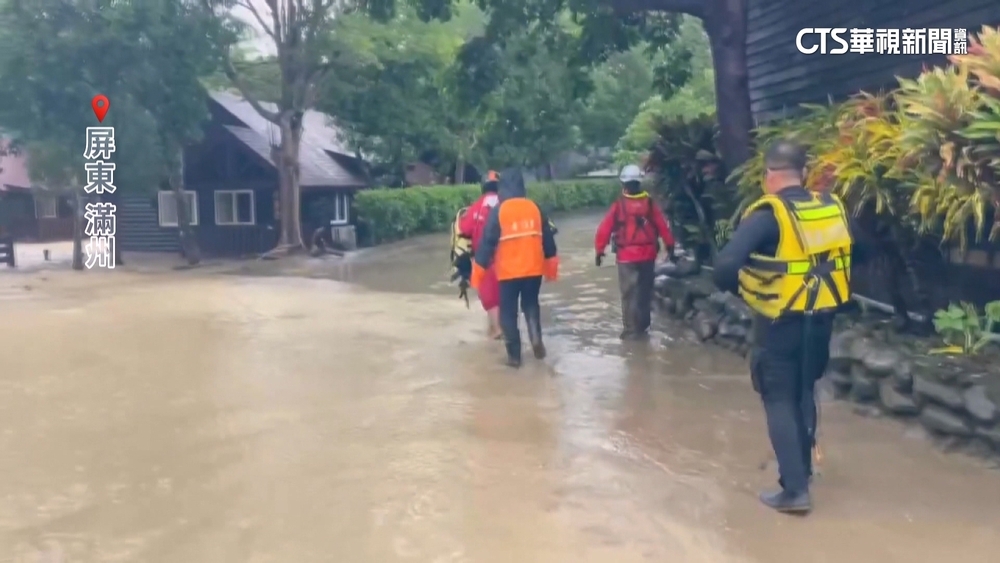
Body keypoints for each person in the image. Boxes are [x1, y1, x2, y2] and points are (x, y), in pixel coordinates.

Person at [712, 139, 868, 514]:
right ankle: (804, 471)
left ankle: (795, 491)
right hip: (821, 320)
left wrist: (748, 292)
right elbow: (863, 251)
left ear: (770, 175)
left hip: (779, 322)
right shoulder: (830, 208)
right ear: (804, 173)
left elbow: (724, 268)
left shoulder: (769, 214)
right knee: (804, 390)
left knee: (778, 398)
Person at [471, 169, 559, 367]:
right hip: (534, 271)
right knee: (530, 305)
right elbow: (548, 241)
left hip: (508, 273)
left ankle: (514, 357)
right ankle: (536, 338)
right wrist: (551, 269)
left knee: (508, 313)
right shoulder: (535, 208)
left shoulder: (499, 211)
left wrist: (476, 276)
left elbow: (487, 244)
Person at [594, 164, 676, 340]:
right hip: (648, 255)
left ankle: (631, 331)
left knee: (628, 295)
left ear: (624, 184)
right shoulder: (650, 204)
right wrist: (670, 246)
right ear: (640, 183)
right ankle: (644, 327)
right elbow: (663, 226)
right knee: (645, 292)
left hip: (626, 258)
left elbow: (604, 230)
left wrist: (600, 251)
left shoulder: (619, 205)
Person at [460, 170, 503, 338]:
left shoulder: (476, 207)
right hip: (509, 259)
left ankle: (497, 329)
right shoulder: (507, 204)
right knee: (504, 295)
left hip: (484, 259)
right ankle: (498, 328)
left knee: (489, 296)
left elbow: (465, 229)